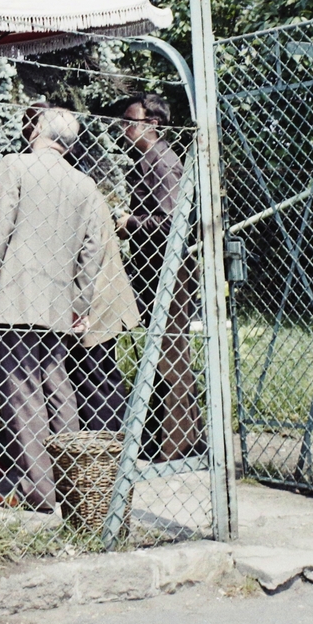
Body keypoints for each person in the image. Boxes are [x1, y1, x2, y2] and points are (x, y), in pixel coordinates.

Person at [0, 108, 105, 512]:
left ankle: (42, 489)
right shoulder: (84, 183)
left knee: (24, 392)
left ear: (38, 130)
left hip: (17, 293)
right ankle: (73, 483)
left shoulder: (15, 166)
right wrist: (80, 302)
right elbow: (92, 250)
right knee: (58, 387)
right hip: (60, 300)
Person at [116, 93, 200, 461]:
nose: (123, 128)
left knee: (170, 355)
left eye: (129, 121)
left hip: (171, 272)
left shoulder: (162, 163)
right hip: (155, 270)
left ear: (152, 124)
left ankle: (176, 445)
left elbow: (172, 222)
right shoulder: (147, 161)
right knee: (166, 353)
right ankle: (183, 438)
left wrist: (129, 222)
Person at [74, 190, 140, 431]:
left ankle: (106, 448)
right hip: (99, 292)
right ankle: (112, 444)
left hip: (96, 295)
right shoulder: (85, 187)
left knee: (95, 376)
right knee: (99, 372)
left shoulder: (80, 190)